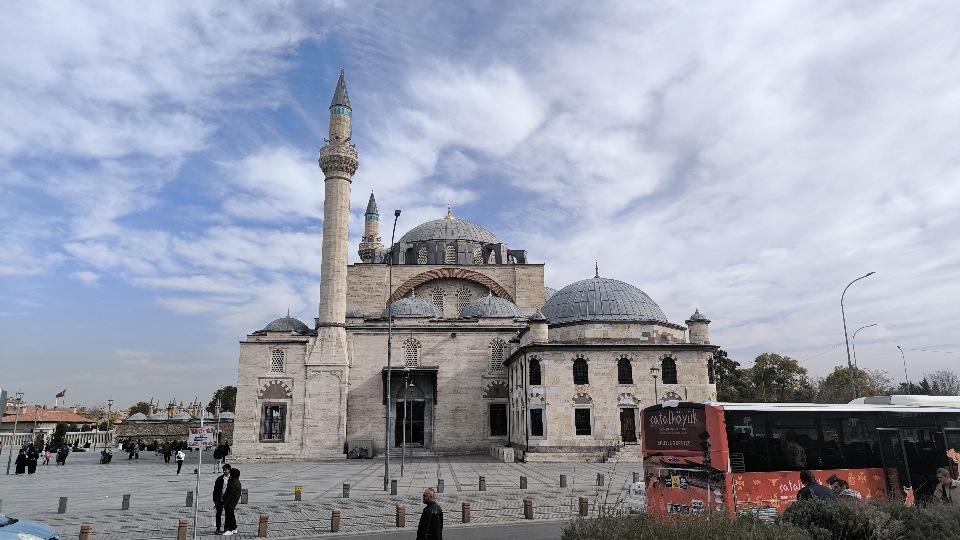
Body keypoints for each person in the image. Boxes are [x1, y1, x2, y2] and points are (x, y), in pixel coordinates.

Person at [212, 464, 233, 534]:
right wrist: (215, 499)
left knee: (227, 514)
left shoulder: (232, 479)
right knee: (218, 514)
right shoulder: (220, 479)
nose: (224, 471)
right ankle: (218, 527)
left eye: (225, 470)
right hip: (220, 499)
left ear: (229, 470)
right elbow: (215, 489)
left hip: (228, 500)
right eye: (223, 469)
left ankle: (226, 527)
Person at [222, 468, 241, 536]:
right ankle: (234, 528)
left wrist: (225, 503)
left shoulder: (234, 482)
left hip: (231, 501)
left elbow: (230, 494)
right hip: (233, 500)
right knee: (231, 514)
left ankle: (230, 529)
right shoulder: (236, 481)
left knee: (229, 515)